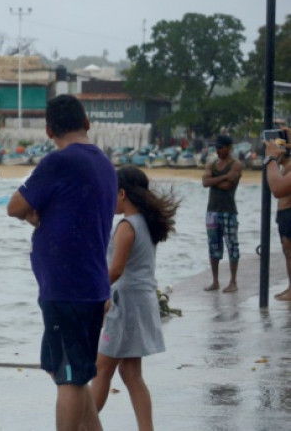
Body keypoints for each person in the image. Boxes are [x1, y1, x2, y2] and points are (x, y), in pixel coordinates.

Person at [7, 94, 117, 431]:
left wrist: (32, 215)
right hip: (92, 285)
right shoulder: (104, 163)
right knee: (74, 372)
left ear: (48, 130)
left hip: (68, 289)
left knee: (68, 378)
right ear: (87, 122)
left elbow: (14, 206)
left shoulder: (60, 162)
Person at [90, 166, 180, 430]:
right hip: (141, 301)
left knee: (102, 368)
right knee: (131, 374)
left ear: (121, 193)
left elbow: (116, 270)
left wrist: (95, 293)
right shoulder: (145, 222)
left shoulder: (127, 227)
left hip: (126, 304)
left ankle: (83, 423)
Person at [201, 134, 243, 293]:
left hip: (229, 211)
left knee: (232, 245)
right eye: (216, 148)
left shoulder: (236, 164)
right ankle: (215, 281)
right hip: (212, 210)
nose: (218, 150)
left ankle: (233, 281)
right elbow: (205, 182)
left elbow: (226, 187)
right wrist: (225, 176)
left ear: (229, 147)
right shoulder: (212, 164)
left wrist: (214, 180)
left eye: (221, 147)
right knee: (213, 246)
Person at [262, 127, 291, 300]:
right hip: (285, 215)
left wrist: (270, 158)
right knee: (287, 252)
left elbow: (278, 189)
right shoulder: (285, 166)